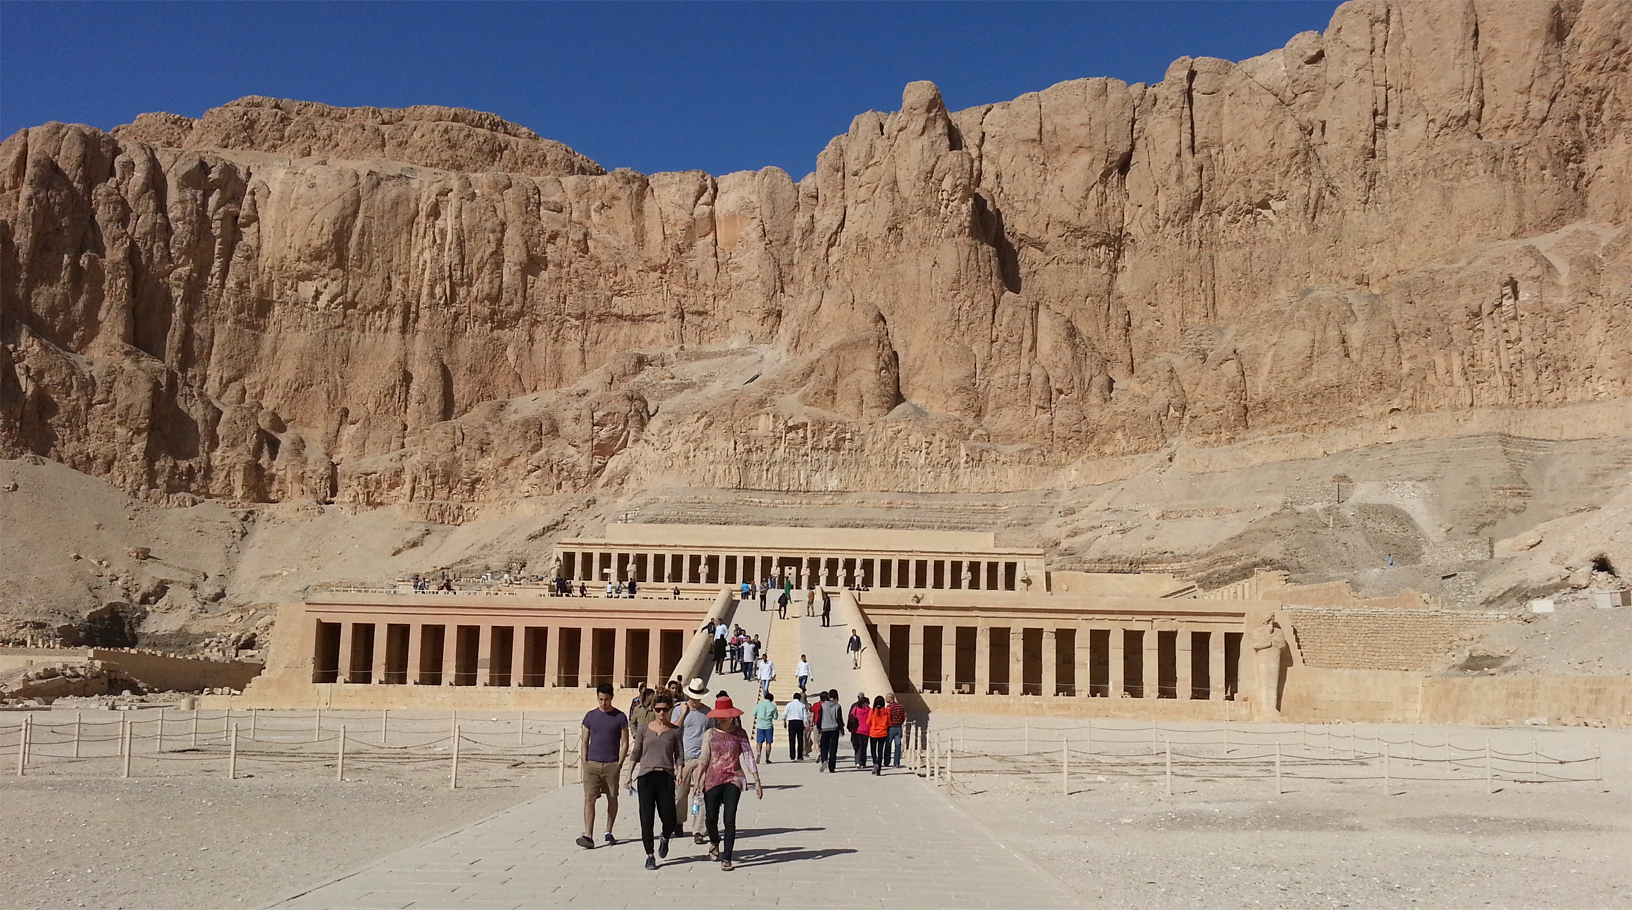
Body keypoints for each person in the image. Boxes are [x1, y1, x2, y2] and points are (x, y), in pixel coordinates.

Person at [694, 696, 762, 872]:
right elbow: (704, 758)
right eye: (720, 714)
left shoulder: (740, 733)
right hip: (712, 779)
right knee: (710, 818)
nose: (722, 717)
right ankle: (715, 841)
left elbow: (748, 756)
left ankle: (727, 858)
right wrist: (698, 779)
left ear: (731, 715)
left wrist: (757, 781)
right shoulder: (710, 734)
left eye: (726, 714)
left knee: (729, 819)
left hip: (733, 778)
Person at [622, 692, 684, 870]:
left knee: (670, 817)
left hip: (665, 776)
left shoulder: (674, 730)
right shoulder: (643, 729)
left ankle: (664, 837)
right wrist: (629, 775)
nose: (662, 713)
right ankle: (649, 855)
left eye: (665, 709)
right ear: (653, 709)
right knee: (646, 817)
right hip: (646, 777)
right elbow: (636, 752)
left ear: (670, 710)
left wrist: (679, 771)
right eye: (658, 710)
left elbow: (679, 754)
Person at [578, 683, 630, 849]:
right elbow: (585, 741)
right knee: (589, 798)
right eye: (600, 699)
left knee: (612, 797)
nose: (603, 703)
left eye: (606, 699)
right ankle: (588, 835)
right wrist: (585, 762)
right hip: (592, 763)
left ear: (611, 698)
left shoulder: (620, 717)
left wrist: (619, 764)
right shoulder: (590, 716)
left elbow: (625, 743)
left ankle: (608, 831)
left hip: (611, 764)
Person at [670, 678, 715, 845]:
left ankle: (698, 829)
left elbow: (711, 735)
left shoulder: (708, 713)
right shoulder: (679, 709)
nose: (695, 700)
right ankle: (679, 821)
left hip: (702, 758)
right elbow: (673, 730)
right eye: (693, 697)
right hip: (683, 758)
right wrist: (683, 713)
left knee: (700, 794)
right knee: (680, 794)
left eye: (698, 697)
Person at [816, 690, 844, 772]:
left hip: (825, 728)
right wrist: (841, 729)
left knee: (824, 746)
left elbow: (820, 716)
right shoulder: (838, 706)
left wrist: (818, 727)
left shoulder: (823, 705)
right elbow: (839, 719)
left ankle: (824, 760)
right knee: (833, 748)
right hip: (834, 729)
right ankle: (832, 767)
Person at [781, 692, 810, 761]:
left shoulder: (789, 704)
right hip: (799, 722)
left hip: (791, 722)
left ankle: (792, 755)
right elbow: (805, 716)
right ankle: (800, 756)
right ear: (800, 698)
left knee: (792, 739)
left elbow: (784, 715)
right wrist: (805, 724)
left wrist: (784, 722)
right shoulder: (802, 705)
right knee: (800, 739)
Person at [752, 689, 778, 765]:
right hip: (768, 725)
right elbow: (775, 717)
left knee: (759, 741)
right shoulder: (773, 706)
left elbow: (754, 713)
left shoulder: (759, 704)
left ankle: (758, 752)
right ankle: (767, 758)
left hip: (760, 725)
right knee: (768, 742)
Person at [867, 695, 890, 775]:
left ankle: (875, 763)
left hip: (873, 733)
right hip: (883, 733)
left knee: (873, 749)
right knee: (880, 751)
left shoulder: (872, 711)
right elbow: (889, 723)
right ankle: (879, 770)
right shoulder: (887, 711)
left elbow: (868, 722)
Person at [848, 693, 871, 769]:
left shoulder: (856, 708)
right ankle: (863, 762)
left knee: (858, 747)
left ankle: (857, 762)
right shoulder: (870, 710)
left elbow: (850, 717)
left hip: (857, 730)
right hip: (866, 731)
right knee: (864, 746)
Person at [885, 693, 907, 767]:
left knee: (888, 745)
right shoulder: (901, 706)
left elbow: (887, 717)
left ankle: (887, 761)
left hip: (891, 727)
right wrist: (900, 722)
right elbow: (904, 716)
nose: (886, 699)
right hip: (899, 727)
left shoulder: (889, 707)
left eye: (887, 698)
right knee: (898, 745)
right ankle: (896, 762)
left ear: (890, 698)